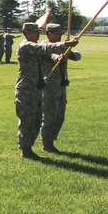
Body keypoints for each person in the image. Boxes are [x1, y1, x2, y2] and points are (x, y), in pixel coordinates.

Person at [15, 22, 78, 159]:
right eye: (35, 32)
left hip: (37, 88)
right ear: (27, 32)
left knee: (37, 120)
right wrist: (66, 44)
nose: (38, 34)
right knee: (27, 120)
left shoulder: (34, 46)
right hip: (26, 89)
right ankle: (25, 150)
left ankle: (29, 148)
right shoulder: (26, 46)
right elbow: (43, 49)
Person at [39, 23, 82, 153]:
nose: (60, 36)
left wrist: (69, 54)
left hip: (61, 84)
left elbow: (78, 56)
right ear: (49, 33)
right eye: (57, 33)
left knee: (59, 115)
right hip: (49, 85)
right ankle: (47, 142)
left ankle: (52, 139)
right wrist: (58, 57)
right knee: (49, 115)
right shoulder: (43, 46)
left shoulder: (63, 46)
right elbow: (49, 55)